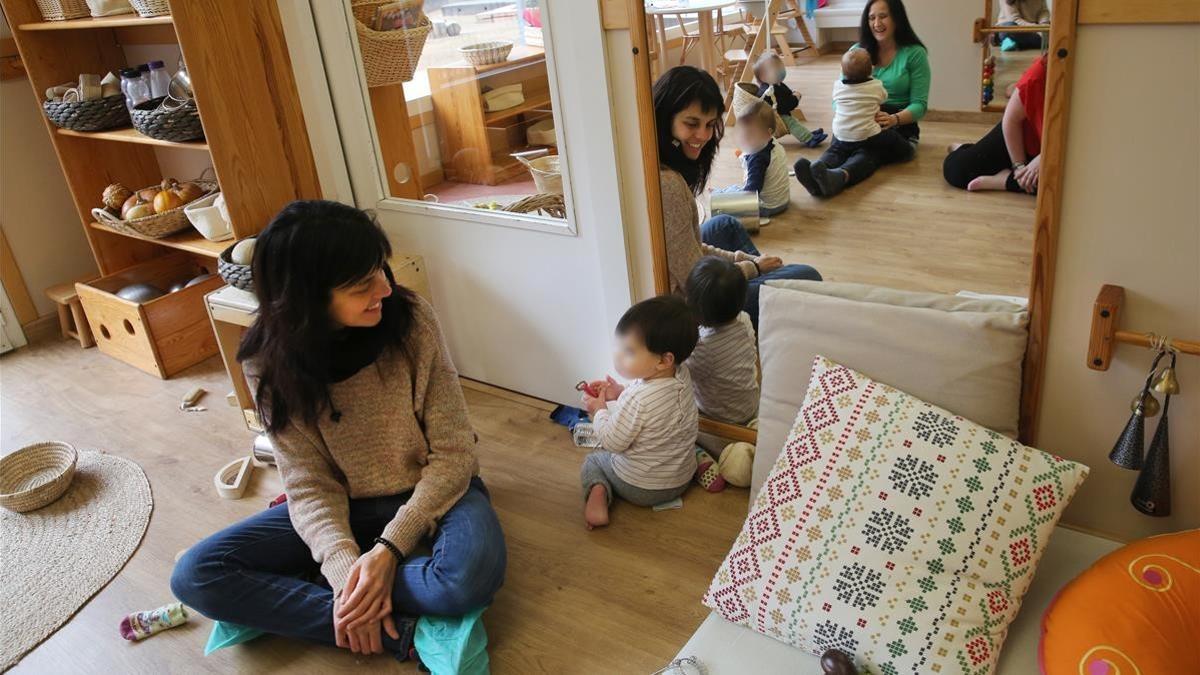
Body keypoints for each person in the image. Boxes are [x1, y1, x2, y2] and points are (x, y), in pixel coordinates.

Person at [170, 201, 506, 660]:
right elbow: (308, 484)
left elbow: (454, 453)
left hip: (435, 493)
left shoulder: (411, 322)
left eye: (379, 270)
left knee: (464, 579)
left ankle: (315, 594)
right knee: (196, 575)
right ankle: (403, 634)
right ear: (306, 296)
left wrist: (388, 551)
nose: (385, 288)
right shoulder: (266, 362)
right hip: (342, 507)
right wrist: (348, 570)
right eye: (360, 284)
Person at [653, 65, 822, 328]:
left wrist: (745, 260)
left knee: (725, 224)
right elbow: (694, 282)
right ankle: (764, 293)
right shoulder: (669, 184)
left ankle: (766, 284)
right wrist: (750, 269)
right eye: (691, 123)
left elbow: (691, 246)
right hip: (696, 304)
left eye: (710, 125)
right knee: (809, 277)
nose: (704, 136)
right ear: (665, 118)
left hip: (692, 271)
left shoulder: (663, 162)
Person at [578, 296, 700, 530]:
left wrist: (599, 411)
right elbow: (654, 407)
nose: (618, 356)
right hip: (682, 477)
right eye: (618, 347)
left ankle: (598, 496)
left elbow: (612, 442)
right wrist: (618, 392)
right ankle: (701, 461)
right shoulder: (681, 374)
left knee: (593, 461)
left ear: (664, 360)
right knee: (677, 432)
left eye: (629, 351)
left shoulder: (638, 399)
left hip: (643, 487)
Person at [795, 0, 930, 198]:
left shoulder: (914, 54)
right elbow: (839, 96)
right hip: (860, 119)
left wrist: (894, 119)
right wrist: (850, 115)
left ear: (897, 18)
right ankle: (819, 172)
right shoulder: (856, 53)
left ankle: (840, 177)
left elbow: (920, 105)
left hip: (899, 124)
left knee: (869, 150)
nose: (877, 23)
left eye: (883, 16)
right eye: (871, 18)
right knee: (841, 141)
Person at [794, 48, 914, 197]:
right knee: (883, 143)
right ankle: (907, 151)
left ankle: (818, 168)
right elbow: (883, 98)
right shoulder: (876, 86)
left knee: (835, 151)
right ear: (871, 69)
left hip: (840, 132)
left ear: (843, 72)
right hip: (867, 134)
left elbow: (836, 100)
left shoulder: (838, 85)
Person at [943, 54, 1047, 194]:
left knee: (1060, 188)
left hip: (1051, 150)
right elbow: (1011, 119)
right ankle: (965, 149)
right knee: (958, 171)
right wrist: (1020, 167)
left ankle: (1003, 180)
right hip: (1023, 135)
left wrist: (1044, 157)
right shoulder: (1038, 74)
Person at [684, 257, 759, 426]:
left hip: (722, 418)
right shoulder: (744, 319)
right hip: (751, 405)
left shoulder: (703, 349)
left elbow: (681, 376)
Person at [712, 100, 791, 217]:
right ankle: (720, 193)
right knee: (735, 189)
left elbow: (751, 192)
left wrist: (731, 203)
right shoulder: (775, 146)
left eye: (751, 134)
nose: (745, 139)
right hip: (783, 201)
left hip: (767, 206)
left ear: (767, 133)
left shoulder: (758, 157)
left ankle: (717, 195)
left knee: (732, 194)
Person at [752, 51, 827, 148]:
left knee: (794, 121)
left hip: (778, 112)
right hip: (773, 118)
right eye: (776, 69)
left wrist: (792, 94)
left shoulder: (776, 83)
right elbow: (785, 105)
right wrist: (795, 98)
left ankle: (808, 134)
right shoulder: (769, 91)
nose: (781, 71)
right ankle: (808, 139)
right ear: (763, 76)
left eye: (781, 67)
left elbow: (785, 94)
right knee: (791, 123)